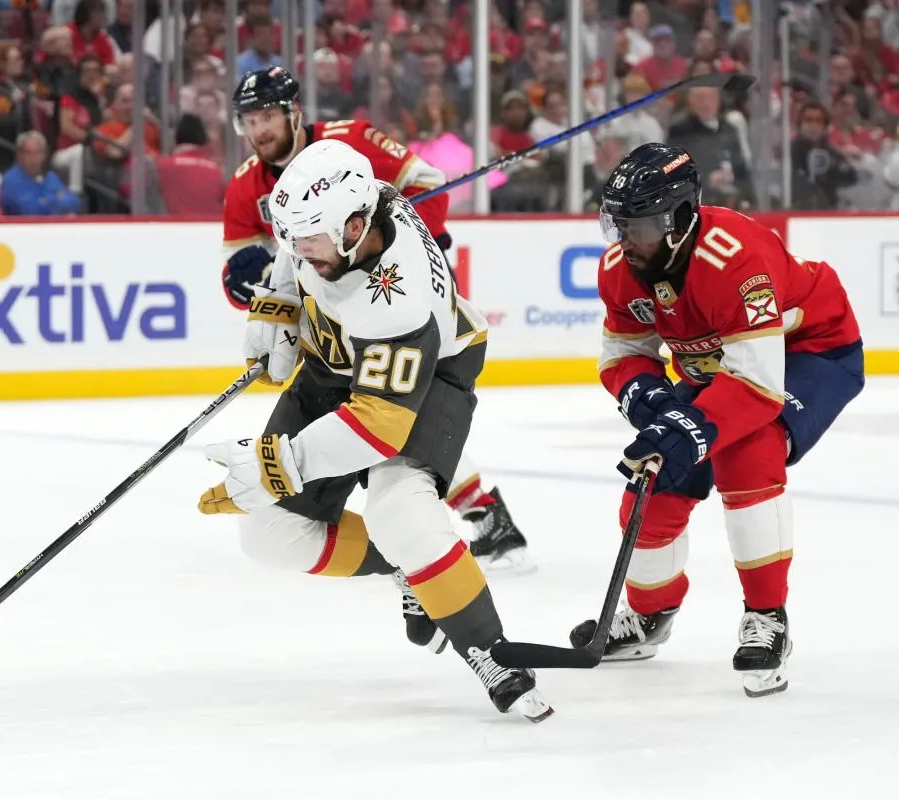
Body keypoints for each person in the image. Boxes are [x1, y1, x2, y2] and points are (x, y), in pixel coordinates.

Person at [198, 139, 553, 723]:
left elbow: (379, 424)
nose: (297, 250)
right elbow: (292, 248)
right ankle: (407, 567)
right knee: (268, 532)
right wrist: (281, 303)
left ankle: (490, 649)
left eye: (310, 242)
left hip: (433, 369)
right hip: (336, 362)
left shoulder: (397, 299)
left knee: (399, 511)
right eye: (296, 239)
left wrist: (281, 462)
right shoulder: (351, 211)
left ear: (356, 228)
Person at [571, 143, 864, 697]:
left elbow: (756, 384)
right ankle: (649, 616)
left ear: (678, 219)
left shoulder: (736, 259)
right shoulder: (620, 269)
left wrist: (691, 425)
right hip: (721, 366)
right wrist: (648, 396)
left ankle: (768, 617)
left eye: (638, 226)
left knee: (746, 452)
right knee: (653, 478)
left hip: (810, 351)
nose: (624, 239)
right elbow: (622, 354)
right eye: (617, 223)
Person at [220, 65, 532, 573]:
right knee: (375, 424)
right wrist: (256, 291)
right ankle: (452, 527)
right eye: (249, 121)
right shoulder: (242, 188)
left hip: (388, 296)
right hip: (326, 320)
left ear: (294, 112)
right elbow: (240, 278)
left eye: (268, 116)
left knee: (394, 419)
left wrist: (406, 243)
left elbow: (426, 183)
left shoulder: (352, 140)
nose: (259, 131)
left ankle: (476, 515)